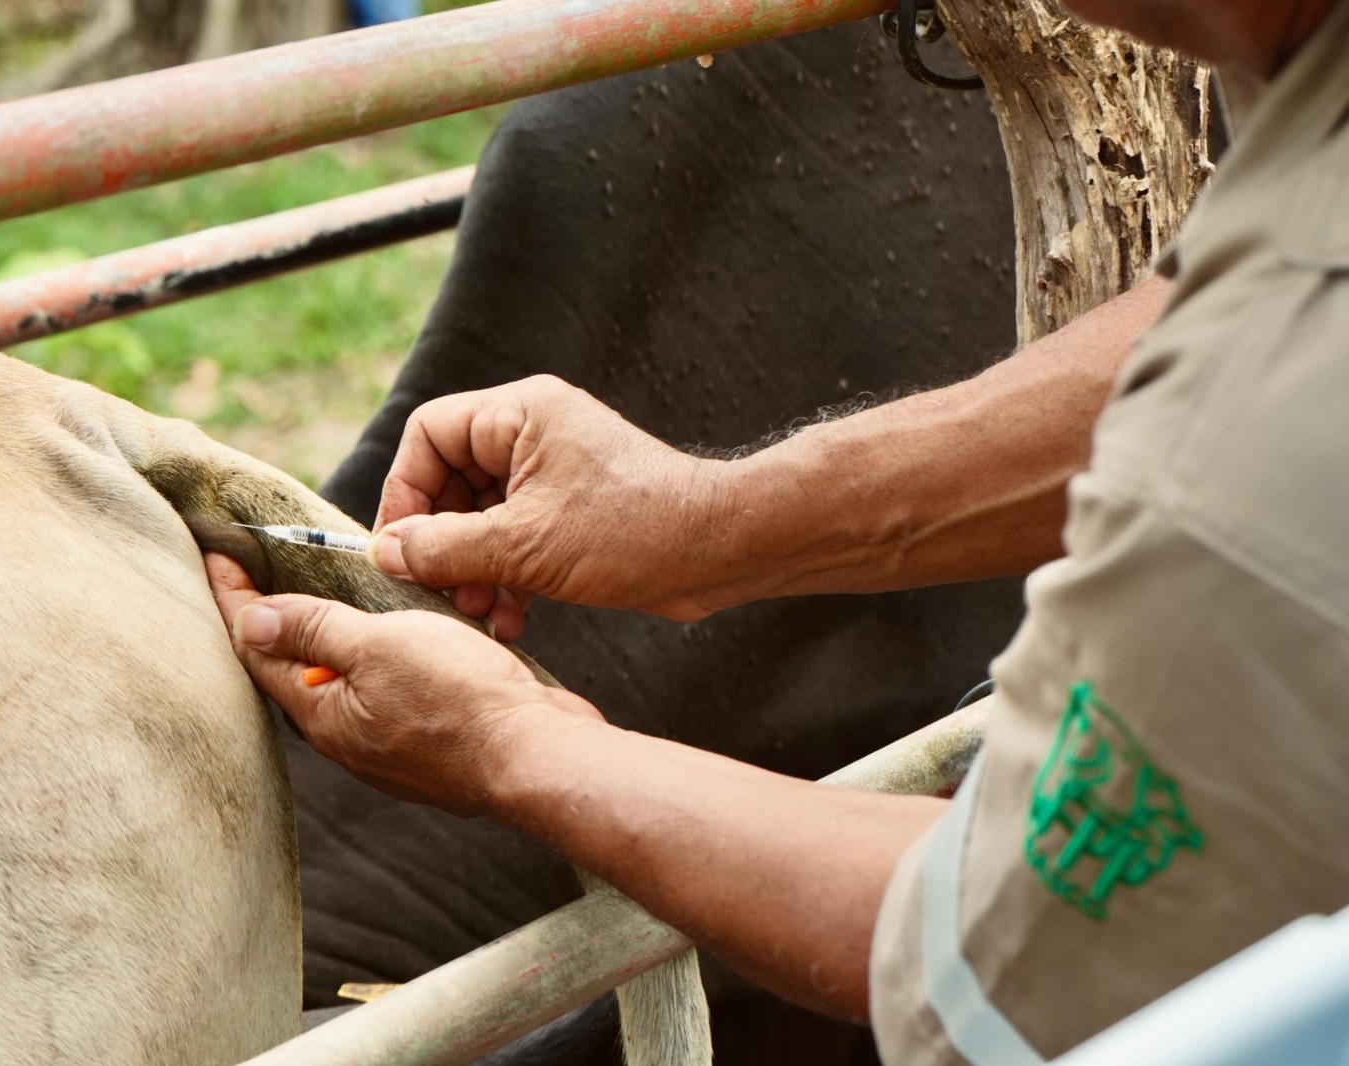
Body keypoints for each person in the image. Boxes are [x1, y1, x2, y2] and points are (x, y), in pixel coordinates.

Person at [204, 0, 1349, 1059]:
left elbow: (1009, 947)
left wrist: (521, 745)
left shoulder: (1277, 416)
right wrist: (706, 525)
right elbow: (1203, 329)